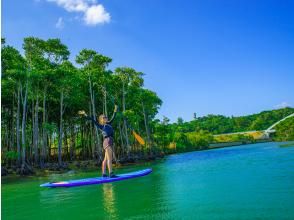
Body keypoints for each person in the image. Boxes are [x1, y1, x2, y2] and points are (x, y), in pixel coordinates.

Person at [78, 105, 118, 178]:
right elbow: (92, 120)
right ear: (102, 120)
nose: (105, 118)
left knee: (106, 159)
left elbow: (113, 117)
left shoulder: (109, 124)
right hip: (107, 141)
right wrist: (85, 114)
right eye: (103, 118)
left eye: (106, 117)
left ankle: (104, 174)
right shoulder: (102, 126)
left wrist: (115, 110)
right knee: (110, 158)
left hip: (109, 141)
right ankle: (111, 173)